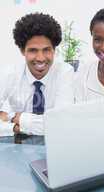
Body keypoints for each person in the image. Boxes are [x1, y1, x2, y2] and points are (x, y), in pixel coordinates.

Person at [0, 13, 74, 144]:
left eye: (46, 50)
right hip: (17, 148)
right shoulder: (9, 74)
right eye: (33, 50)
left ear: (54, 50)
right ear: (22, 51)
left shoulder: (64, 72)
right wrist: (13, 127)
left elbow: (62, 123)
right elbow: (55, 123)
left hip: (57, 147)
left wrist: (17, 118)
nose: (40, 58)